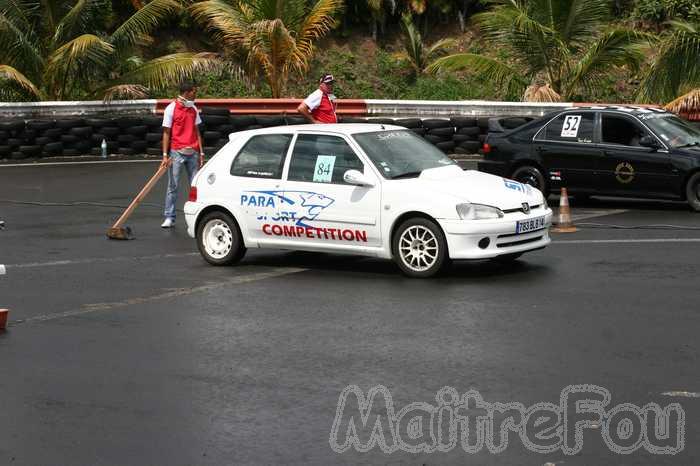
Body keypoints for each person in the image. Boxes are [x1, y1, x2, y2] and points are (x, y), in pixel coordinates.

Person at [160, 81, 205, 228]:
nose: (195, 95)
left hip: (193, 153)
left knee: (195, 186)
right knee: (173, 186)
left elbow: (197, 131)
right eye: (194, 92)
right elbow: (166, 133)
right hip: (176, 152)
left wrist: (201, 152)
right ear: (187, 92)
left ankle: (197, 217)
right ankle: (169, 216)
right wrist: (165, 155)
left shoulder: (193, 108)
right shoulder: (171, 109)